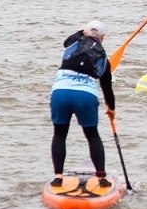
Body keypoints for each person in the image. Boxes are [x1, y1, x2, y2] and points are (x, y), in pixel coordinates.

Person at [49, 22, 116, 191]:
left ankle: (58, 177)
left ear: (83, 33)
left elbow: (67, 41)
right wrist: (111, 108)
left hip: (60, 92)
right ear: (103, 38)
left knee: (59, 133)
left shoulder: (72, 45)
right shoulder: (103, 58)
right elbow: (107, 87)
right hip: (85, 96)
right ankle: (101, 178)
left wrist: (83, 32)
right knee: (92, 135)